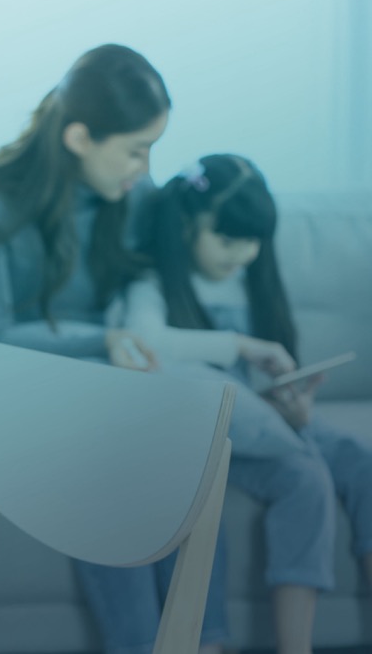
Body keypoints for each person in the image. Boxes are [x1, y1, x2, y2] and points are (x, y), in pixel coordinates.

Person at [0, 44, 231, 654]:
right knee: (119, 456)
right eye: (135, 149)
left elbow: (156, 275)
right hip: (0, 394)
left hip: (98, 388)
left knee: (184, 439)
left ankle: (204, 642)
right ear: (79, 137)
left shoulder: (129, 195)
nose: (145, 166)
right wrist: (100, 338)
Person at [122, 154, 372, 654]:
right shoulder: (152, 286)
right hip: (202, 433)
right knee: (306, 477)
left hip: (266, 420)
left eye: (254, 241)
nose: (244, 253)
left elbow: (271, 379)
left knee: (358, 464)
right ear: (189, 224)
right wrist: (237, 344)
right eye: (228, 239)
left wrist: (294, 410)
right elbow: (143, 341)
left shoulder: (256, 281)